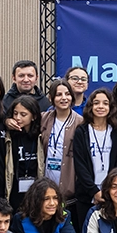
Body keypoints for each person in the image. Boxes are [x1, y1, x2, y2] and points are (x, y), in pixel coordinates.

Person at [72, 88, 117, 214]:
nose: (101, 106)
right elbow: (80, 165)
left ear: (111, 107)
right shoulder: (81, 131)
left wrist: (109, 191)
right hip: (86, 195)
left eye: (105, 103)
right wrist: (94, 191)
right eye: (96, 103)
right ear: (90, 106)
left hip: (112, 194)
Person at [39, 78, 84, 221]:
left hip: (68, 186)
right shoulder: (43, 118)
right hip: (46, 178)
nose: (64, 98)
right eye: (59, 95)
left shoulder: (80, 122)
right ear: (51, 98)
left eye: (67, 94)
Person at [4, 98, 43, 211]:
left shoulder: (40, 135)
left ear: (34, 116)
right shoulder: (10, 135)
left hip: (34, 189)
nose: (18, 118)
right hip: (14, 188)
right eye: (15, 113)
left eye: (23, 114)